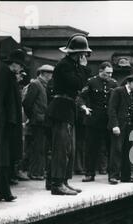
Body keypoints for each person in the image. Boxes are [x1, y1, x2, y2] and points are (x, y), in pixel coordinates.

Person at [46, 33, 92, 195]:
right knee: (61, 148)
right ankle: (57, 183)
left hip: (67, 108)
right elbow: (78, 84)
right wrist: (85, 68)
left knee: (68, 148)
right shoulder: (65, 65)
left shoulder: (72, 66)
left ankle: (64, 181)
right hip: (61, 108)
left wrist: (81, 68)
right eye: (84, 53)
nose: (86, 55)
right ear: (78, 53)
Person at [80, 61, 118, 182]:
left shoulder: (114, 83)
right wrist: (84, 107)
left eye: (111, 73)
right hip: (94, 120)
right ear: (100, 71)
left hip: (108, 121)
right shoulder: (91, 82)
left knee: (111, 148)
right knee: (91, 148)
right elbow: (81, 97)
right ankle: (89, 173)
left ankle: (112, 175)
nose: (110, 75)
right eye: (107, 73)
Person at [107, 74, 133, 184]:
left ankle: (126, 175)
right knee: (117, 150)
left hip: (129, 127)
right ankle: (113, 175)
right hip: (118, 127)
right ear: (130, 83)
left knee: (128, 151)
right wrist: (115, 125)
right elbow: (112, 109)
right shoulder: (118, 91)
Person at [0, 49, 26, 201]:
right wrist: (11, 121)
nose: (21, 70)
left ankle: (3, 191)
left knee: (4, 157)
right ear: (16, 64)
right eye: (20, 66)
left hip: (6, 122)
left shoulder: (4, 72)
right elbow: (7, 100)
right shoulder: (6, 74)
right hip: (5, 123)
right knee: (3, 157)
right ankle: (4, 192)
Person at [22, 64, 54, 180]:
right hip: (37, 121)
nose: (51, 76)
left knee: (41, 148)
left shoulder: (43, 85)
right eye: (50, 74)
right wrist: (33, 116)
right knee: (37, 148)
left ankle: (38, 171)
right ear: (44, 73)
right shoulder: (36, 84)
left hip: (42, 121)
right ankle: (35, 172)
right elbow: (27, 103)